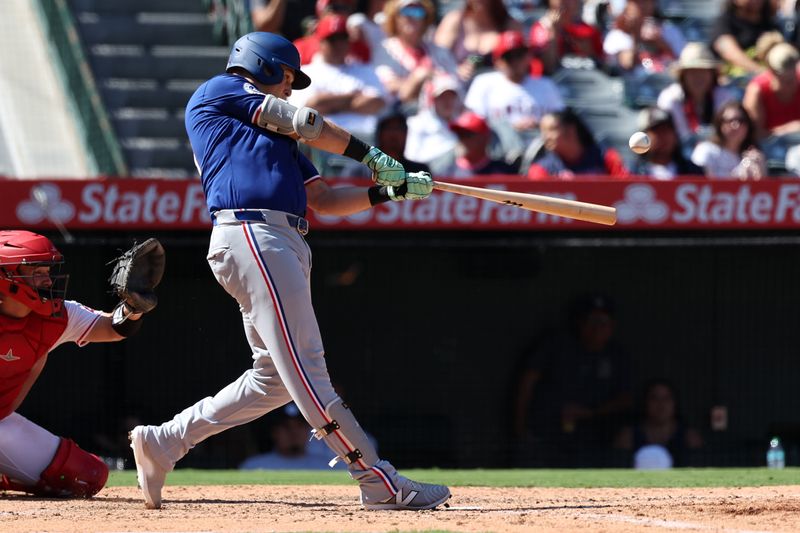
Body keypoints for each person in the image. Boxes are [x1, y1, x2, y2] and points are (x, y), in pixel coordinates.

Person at [128, 32, 450, 512]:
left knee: (273, 380)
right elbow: (307, 120)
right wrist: (373, 157)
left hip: (281, 240)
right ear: (259, 64)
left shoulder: (274, 140)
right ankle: (378, 481)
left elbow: (322, 201)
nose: (289, 88)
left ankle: (165, 441)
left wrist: (388, 193)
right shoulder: (220, 91)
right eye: (286, 77)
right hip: (253, 233)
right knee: (308, 369)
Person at [0, 231, 158, 498]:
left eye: (46, 270)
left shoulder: (54, 316)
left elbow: (114, 328)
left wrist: (134, 306)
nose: (47, 279)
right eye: (36, 271)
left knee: (87, 476)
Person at [512, 293, 633, 467]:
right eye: (591, 321)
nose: (596, 328)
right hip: (546, 433)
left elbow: (626, 399)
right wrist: (520, 426)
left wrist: (590, 412)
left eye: (603, 322)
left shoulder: (617, 355)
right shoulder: (556, 345)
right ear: (580, 323)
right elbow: (527, 382)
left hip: (594, 438)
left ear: (612, 326)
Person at [288, 14, 389, 141]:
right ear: (320, 42)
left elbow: (377, 103)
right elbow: (308, 108)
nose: (338, 44)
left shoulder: (365, 70)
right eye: (332, 40)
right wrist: (354, 97)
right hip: (322, 142)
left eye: (343, 38)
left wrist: (329, 103)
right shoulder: (307, 73)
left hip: (366, 141)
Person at [372, 0, 460, 106]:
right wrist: (420, 77)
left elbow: (454, 79)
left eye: (418, 12)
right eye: (405, 11)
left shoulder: (438, 51)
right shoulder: (385, 49)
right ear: (395, 18)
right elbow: (388, 85)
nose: (411, 17)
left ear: (425, 19)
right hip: (400, 113)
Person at [656, 42, 738, 145]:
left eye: (703, 71)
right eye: (692, 72)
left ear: (712, 75)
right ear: (683, 76)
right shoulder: (670, 99)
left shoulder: (724, 97)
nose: (698, 77)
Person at [613, 378, 703, 468]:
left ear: (675, 403)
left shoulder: (690, 437)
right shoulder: (628, 436)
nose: (661, 404)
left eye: (666, 398)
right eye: (654, 398)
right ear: (645, 402)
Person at [433, 0, 524, 82]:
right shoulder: (454, 20)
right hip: (459, 91)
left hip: (496, 91)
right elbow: (436, 60)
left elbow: (521, 64)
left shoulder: (509, 25)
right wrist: (456, 69)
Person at [525, 109, 629, 180]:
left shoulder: (607, 157)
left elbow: (625, 187)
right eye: (543, 131)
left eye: (551, 130)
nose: (545, 137)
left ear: (571, 130)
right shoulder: (541, 168)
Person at [240, 403, 345, 470]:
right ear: (274, 432)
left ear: (308, 430)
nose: (294, 432)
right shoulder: (255, 467)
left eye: (299, 426)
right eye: (286, 427)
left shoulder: (328, 466)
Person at [602, 0, 685, 74]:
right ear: (627, 5)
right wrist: (636, 35)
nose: (643, 5)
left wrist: (660, 42)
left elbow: (681, 62)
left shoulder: (669, 30)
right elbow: (627, 64)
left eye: (647, 1)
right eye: (637, 2)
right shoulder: (616, 36)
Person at [690, 101, 767, 179]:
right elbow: (699, 180)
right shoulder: (706, 150)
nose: (735, 125)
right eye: (729, 121)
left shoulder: (753, 156)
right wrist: (737, 175)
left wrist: (760, 170)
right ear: (720, 124)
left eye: (741, 121)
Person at [405, 75, 463, 175]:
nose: (447, 102)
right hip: (427, 177)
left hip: (456, 178)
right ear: (433, 100)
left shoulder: (462, 124)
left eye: (451, 97)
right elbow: (411, 157)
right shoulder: (417, 123)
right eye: (442, 98)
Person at [528, 0, 605, 75]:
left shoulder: (589, 31)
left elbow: (601, 65)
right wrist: (553, 32)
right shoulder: (541, 28)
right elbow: (548, 66)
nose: (566, 2)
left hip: (584, 79)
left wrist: (587, 50)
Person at [743, 42, 800, 139]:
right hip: (769, 147)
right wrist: (786, 131)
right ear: (772, 71)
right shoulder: (757, 91)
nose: (790, 82)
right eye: (785, 80)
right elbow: (755, 134)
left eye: (792, 78)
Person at [710, 0, 781, 78]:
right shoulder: (725, 21)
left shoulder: (770, 25)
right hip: (732, 81)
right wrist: (759, 70)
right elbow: (728, 50)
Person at [628, 107, 703, 179]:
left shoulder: (693, 172)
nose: (663, 136)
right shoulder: (633, 174)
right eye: (656, 131)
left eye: (667, 130)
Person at [440, 111, 518, 178]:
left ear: (485, 137)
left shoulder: (505, 172)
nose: (462, 140)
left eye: (467, 135)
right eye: (459, 135)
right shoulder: (444, 174)